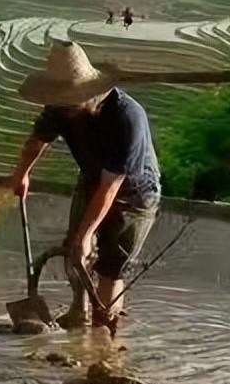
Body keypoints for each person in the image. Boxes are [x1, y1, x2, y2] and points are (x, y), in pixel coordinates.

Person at [10, 41, 160, 331]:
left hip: (133, 191)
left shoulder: (126, 117)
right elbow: (36, 142)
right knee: (75, 252)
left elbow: (111, 186)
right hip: (92, 178)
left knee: (110, 266)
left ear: (89, 92)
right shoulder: (60, 107)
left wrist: (87, 234)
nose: (63, 105)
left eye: (70, 99)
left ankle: (103, 331)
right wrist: (22, 173)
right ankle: (79, 311)